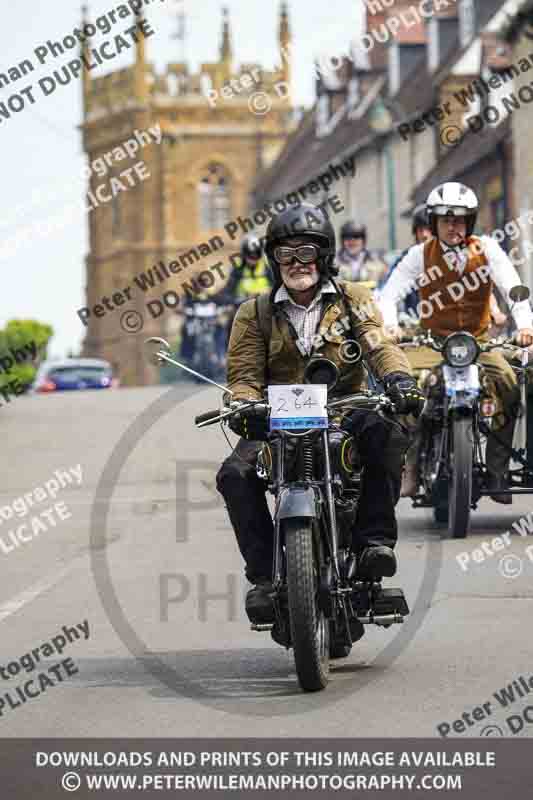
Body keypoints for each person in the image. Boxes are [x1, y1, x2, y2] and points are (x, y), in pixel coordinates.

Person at [216, 203, 424, 624]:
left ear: (324, 256)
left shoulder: (354, 299)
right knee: (234, 474)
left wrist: (400, 380)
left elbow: (379, 345)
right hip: (276, 417)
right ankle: (263, 577)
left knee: (387, 436)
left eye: (306, 253)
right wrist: (241, 403)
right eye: (285, 254)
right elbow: (243, 374)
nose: (296, 264)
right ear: (274, 260)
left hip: (344, 408)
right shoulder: (253, 313)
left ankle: (373, 544)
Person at [379, 181, 533, 502]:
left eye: (460, 219)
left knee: (507, 383)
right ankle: (410, 465)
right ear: (434, 223)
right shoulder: (419, 255)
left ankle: (496, 470)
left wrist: (525, 326)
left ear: (470, 221)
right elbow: (389, 294)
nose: (453, 226)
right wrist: (390, 324)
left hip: (477, 342)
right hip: (434, 341)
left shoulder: (488, 248)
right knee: (407, 389)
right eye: (446, 220)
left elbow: (512, 288)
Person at [337, 221, 388, 288]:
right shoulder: (333, 262)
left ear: (363, 240)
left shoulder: (378, 262)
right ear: (342, 240)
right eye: (348, 237)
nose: (352, 241)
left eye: (356, 236)